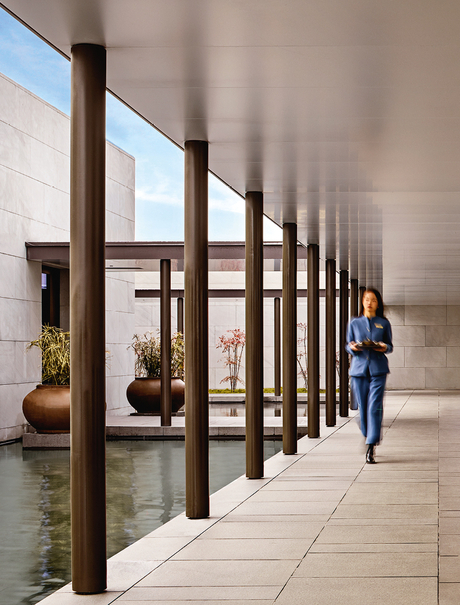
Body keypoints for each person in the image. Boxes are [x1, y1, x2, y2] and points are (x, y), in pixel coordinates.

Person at [346, 288, 393, 464]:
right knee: (363, 409)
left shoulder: (384, 323)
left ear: (378, 303)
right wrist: (353, 347)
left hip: (378, 370)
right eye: (366, 299)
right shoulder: (354, 323)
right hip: (359, 371)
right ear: (362, 302)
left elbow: (389, 345)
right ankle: (368, 435)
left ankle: (371, 444)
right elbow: (347, 345)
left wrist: (383, 347)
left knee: (374, 407)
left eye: (373, 300)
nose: (369, 302)